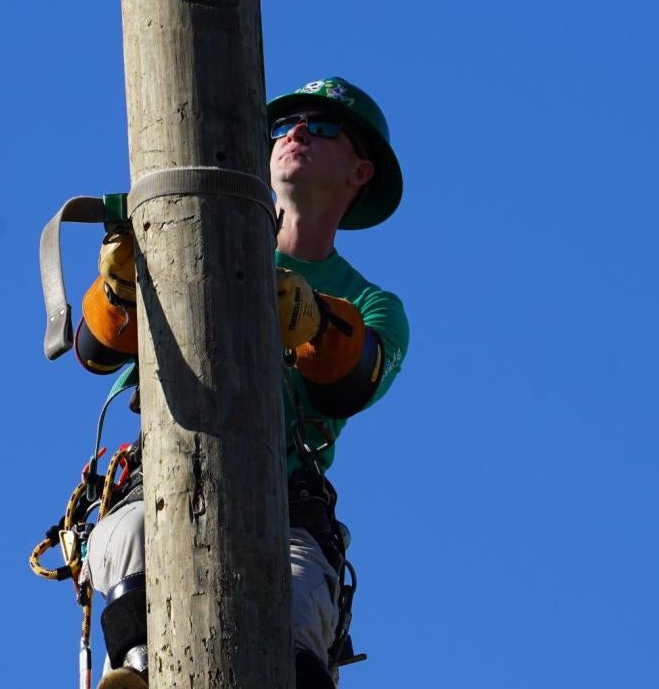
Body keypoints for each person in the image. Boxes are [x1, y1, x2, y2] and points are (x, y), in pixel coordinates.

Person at [72, 77, 410, 689]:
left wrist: (316, 322)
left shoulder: (370, 302)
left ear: (360, 173)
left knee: (299, 590)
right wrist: (121, 286)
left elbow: (354, 379)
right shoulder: (183, 239)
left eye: (323, 125)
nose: (297, 132)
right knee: (126, 536)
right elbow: (96, 349)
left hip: (283, 501)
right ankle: (140, 672)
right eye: (285, 125)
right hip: (165, 474)